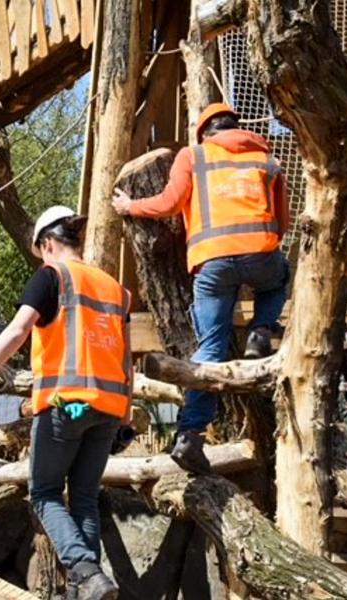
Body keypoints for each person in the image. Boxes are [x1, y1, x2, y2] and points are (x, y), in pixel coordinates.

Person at [0, 206, 130, 600]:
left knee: (45, 493)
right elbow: (126, 355)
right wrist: (127, 411)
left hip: (68, 406)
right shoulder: (114, 287)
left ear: (48, 243)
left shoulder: (52, 277)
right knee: (83, 496)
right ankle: (90, 587)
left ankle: (84, 570)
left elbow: (17, 331)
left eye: (40, 251)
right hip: (106, 410)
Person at [111, 102, 291, 473]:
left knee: (209, 347)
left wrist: (130, 206)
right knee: (279, 280)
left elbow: (170, 202)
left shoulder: (193, 156)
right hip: (261, 252)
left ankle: (190, 436)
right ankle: (261, 331)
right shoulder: (267, 159)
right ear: (235, 127)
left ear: (204, 132)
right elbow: (282, 221)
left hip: (211, 261)